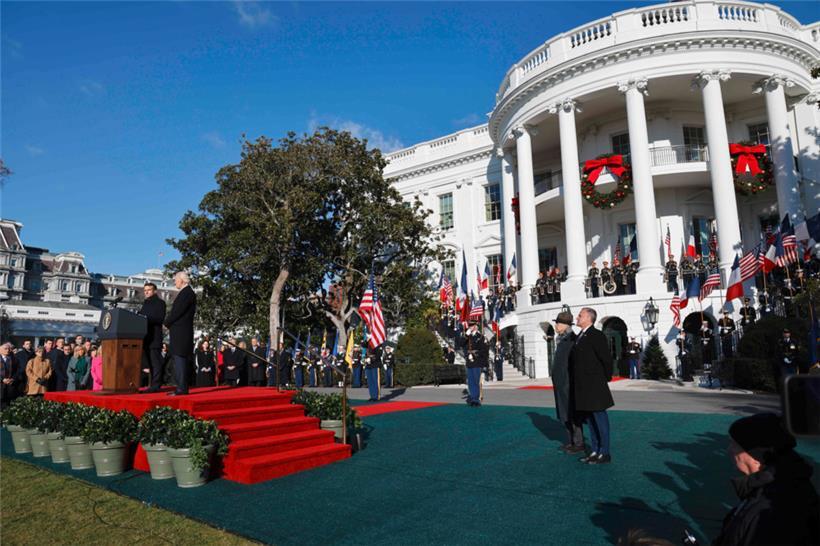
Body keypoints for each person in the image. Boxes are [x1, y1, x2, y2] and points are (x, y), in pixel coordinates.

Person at [712, 413, 819, 545]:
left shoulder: (773, 510)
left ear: (756, 456)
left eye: (735, 445)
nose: (729, 449)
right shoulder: (777, 488)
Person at [571, 307, 614, 464]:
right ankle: (595, 450)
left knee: (600, 419)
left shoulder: (596, 335)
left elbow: (606, 359)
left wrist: (603, 379)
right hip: (583, 386)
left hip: (595, 385)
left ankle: (605, 452)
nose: (577, 318)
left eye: (580, 315)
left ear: (589, 318)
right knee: (590, 420)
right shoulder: (580, 336)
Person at [550, 312, 584, 454]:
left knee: (571, 412)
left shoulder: (571, 340)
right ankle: (571, 441)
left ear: (565, 325)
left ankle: (578, 443)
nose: (555, 326)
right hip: (560, 382)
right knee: (564, 412)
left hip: (568, 383)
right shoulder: (562, 339)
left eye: (557, 323)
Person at [163, 271, 196, 396]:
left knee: (180, 359)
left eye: (175, 279)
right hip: (179, 331)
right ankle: (180, 387)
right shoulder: (185, 293)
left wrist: (166, 323)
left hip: (181, 332)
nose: (174, 282)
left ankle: (182, 388)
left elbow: (177, 311)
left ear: (182, 280)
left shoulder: (187, 293)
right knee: (177, 359)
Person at [139, 282, 167, 393]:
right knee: (149, 362)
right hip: (145, 336)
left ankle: (156, 384)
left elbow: (160, 318)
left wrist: (145, 318)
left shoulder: (160, 303)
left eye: (149, 290)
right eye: (145, 290)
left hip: (154, 336)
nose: (146, 292)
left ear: (155, 291)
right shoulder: (145, 303)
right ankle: (152, 384)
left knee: (155, 361)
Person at [465, 320, 486, 407]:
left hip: (476, 361)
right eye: (470, 325)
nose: (470, 327)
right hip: (469, 362)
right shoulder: (468, 336)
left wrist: (474, 354)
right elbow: (460, 343)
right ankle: (473, 398)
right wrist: (466, 335)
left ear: (476, 326)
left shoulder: (480, 337)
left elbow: (483, 350)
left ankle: (476, 399)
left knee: (476, 380)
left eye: (472, 325)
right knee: (470, 381)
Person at [1, 343, 17, 408]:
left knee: (8, 405)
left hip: (10, 385)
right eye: (5, 349)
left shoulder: (13, 359)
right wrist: (2, 379)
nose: (7, 350)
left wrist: (12, 379)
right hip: (1, 385)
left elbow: (16, 370)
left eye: (9, 349)